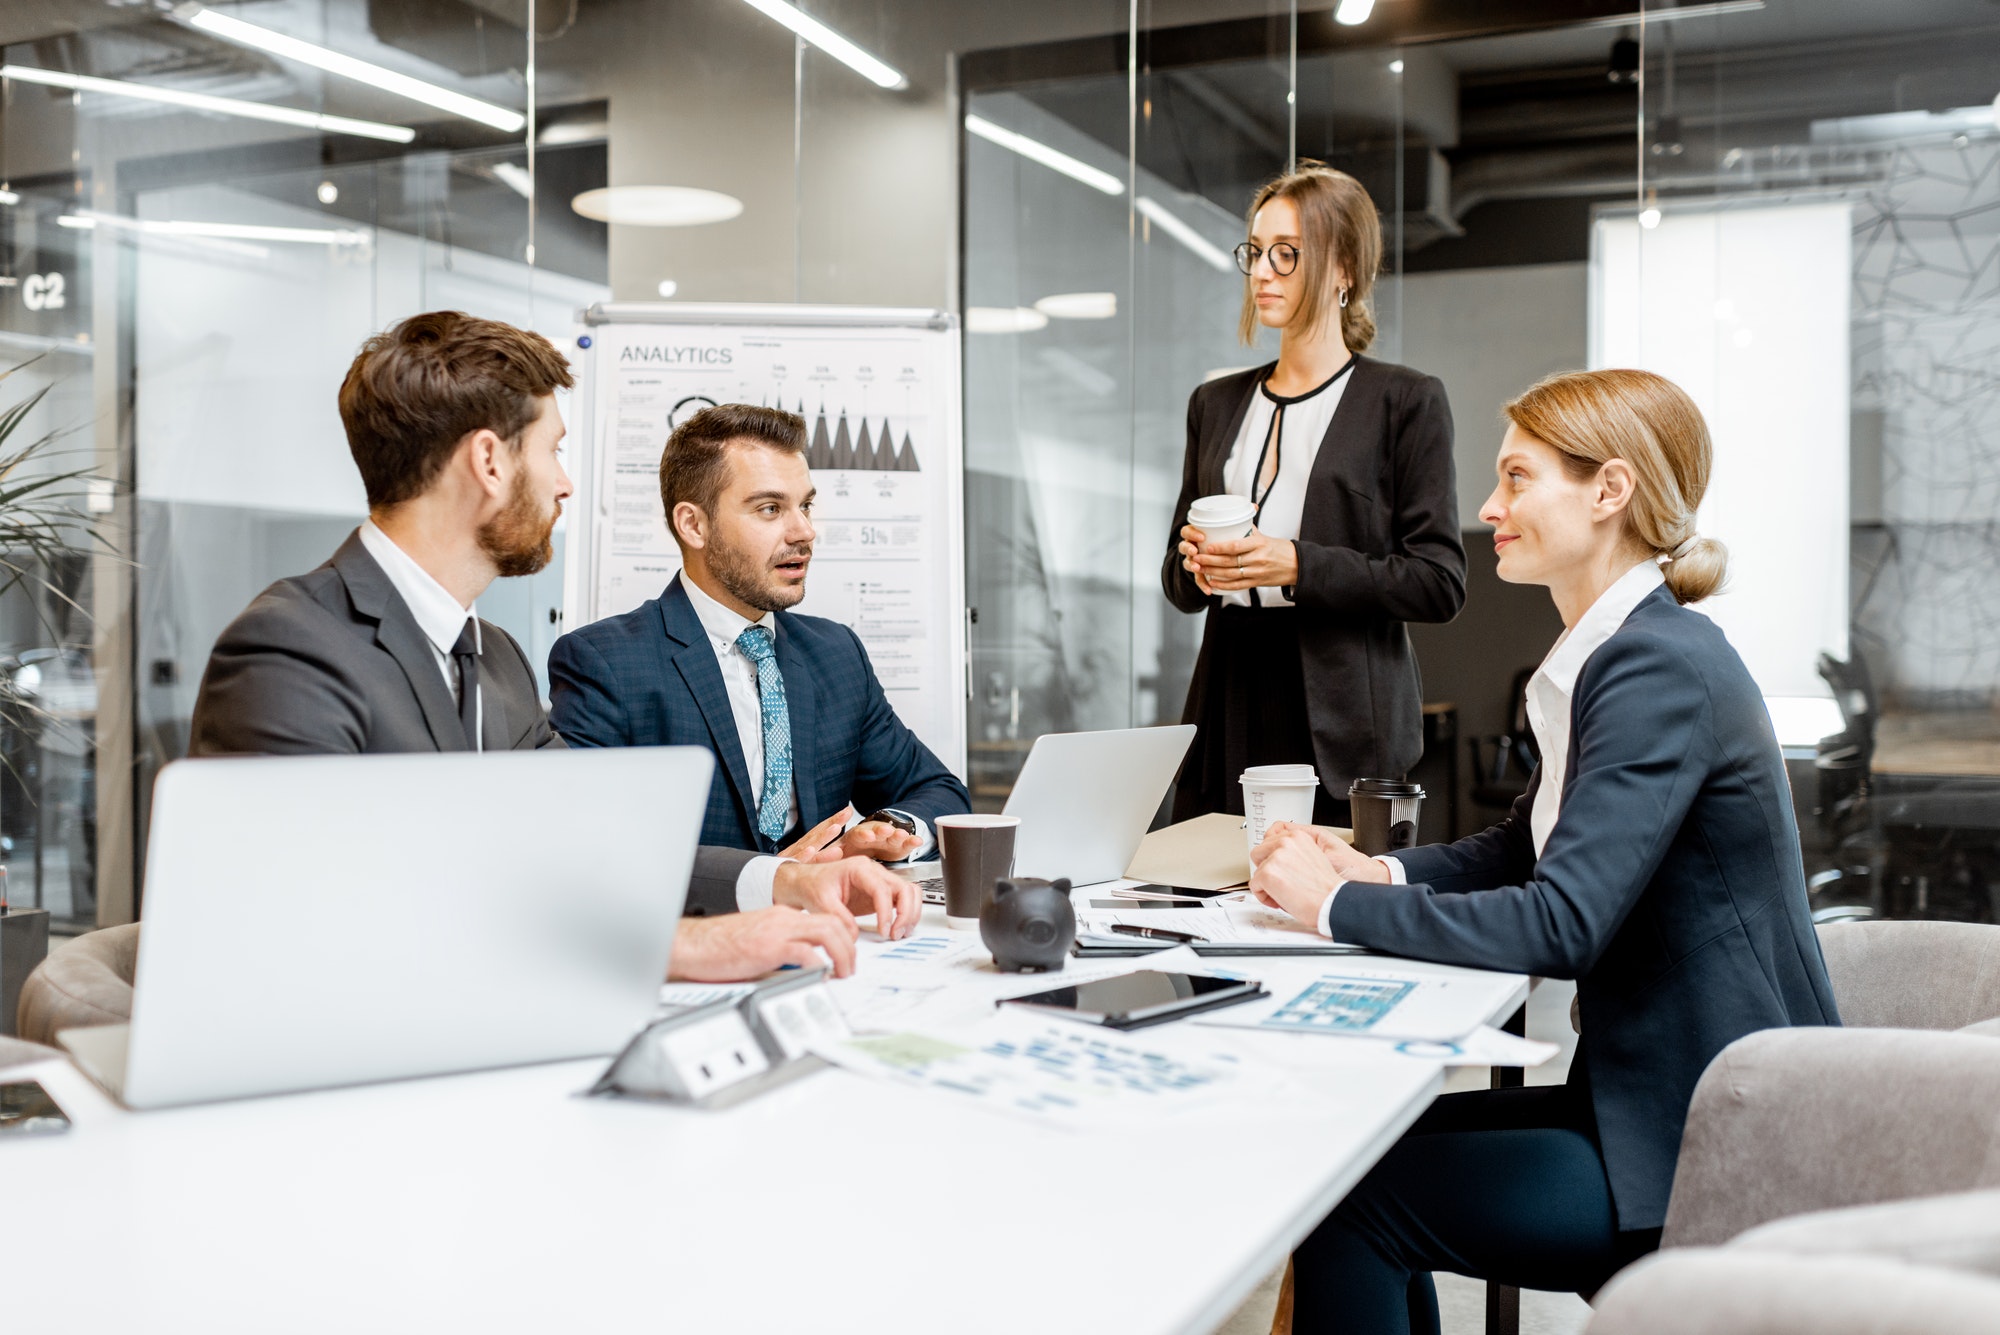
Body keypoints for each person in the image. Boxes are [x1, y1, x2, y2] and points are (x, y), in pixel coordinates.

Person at [1247, 368, 1840, 1332]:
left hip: (1707, 1148)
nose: (1488, 508)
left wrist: (1332, 906)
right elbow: (1525, 851)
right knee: (1351, 1153)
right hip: (1645, 1100)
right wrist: (1374, 869)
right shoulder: (1624, 652)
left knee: (1349, 1199)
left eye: (1517, 479)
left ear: (1609, 491)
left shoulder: (1657, 666)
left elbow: (1563, 923)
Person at [188, 311, 918, 982]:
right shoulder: (289, 649)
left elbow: (593, 844)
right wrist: (684, 947)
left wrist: (787, 880)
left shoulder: (495, 658)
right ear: (489, 462)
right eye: (554, 450)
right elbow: (314, 923)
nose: (566, 484)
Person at [1165, 162, 1465, 827]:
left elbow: (1439, 580)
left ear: (1345, 269)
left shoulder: (1404, 401)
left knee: (1329, 914)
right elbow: (1177, 584)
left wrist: (1297, 564)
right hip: (1226, 690)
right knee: (1210, 900)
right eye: (1256, 251)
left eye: (1287, 254)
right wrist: (1195, 563)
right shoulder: (1214, 403)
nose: (1263, 271)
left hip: (1343, 716)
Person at [546, 403, 970, 864]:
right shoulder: (604, 662)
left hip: (827, 930)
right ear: (694, 525)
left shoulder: (835, 653)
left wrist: (888, 830)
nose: (804, 531)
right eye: (770, 509)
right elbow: (585, 847)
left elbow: (938, 791)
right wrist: (769, 877)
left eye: (805, 505)